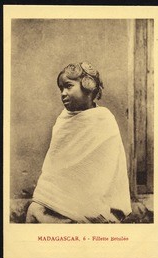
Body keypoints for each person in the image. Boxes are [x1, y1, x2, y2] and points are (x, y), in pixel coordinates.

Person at [26, 62, 132, 223]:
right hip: (55, 195)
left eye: (68, 86)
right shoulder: (63, 121)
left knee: (87, 218)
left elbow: (108, 167)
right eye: (61, 89)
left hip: (90, 196)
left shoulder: (104, 120)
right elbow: (55, 167)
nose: (63, 93)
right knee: (34, 211)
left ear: (88, 87)